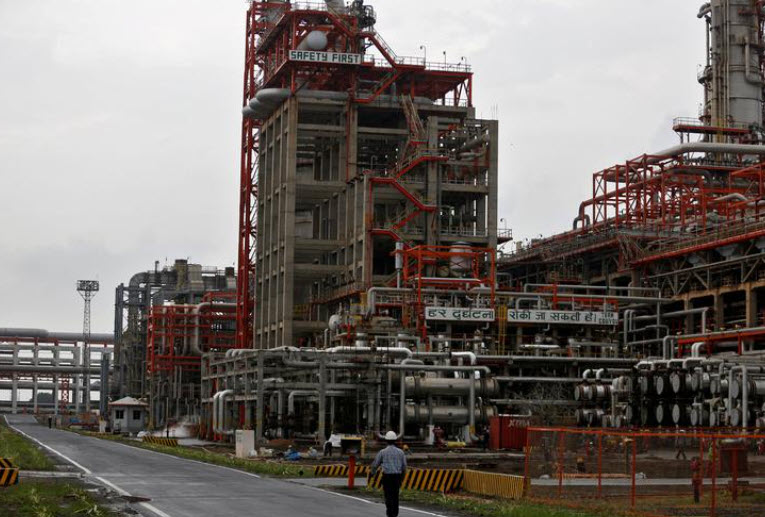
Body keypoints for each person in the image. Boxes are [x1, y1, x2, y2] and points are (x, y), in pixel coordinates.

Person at [371, 431, 407, 517]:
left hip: (387, 477)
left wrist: (373, 473)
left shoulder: (382, 452)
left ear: (386, 440)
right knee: (395, 496)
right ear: (395, 440)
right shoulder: (401, 452)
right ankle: (395, 513)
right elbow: (404, 467)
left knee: (388, 495)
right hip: (397, 476)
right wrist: (402, 478)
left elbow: (375, 464)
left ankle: (389, 513)